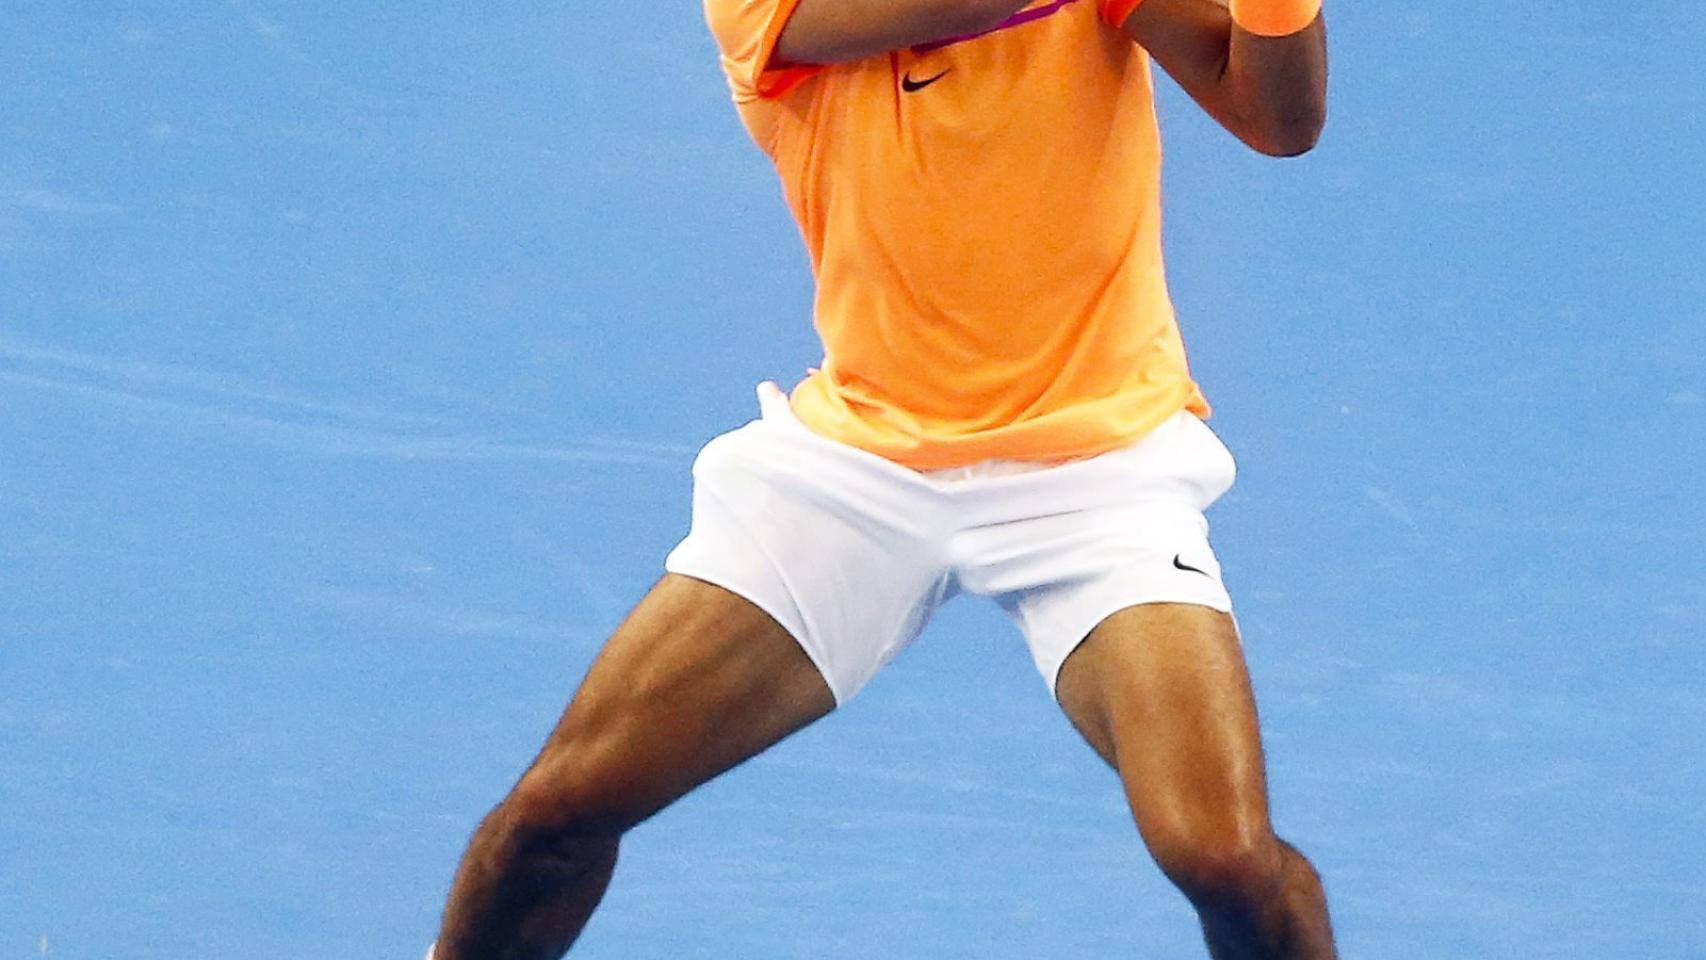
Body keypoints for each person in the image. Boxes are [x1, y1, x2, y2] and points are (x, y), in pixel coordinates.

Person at [429, 0, 1334, 955]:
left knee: (1226, 860)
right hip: (855, 469)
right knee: (553, 819)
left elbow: (1278, 121)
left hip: (1097, 470)